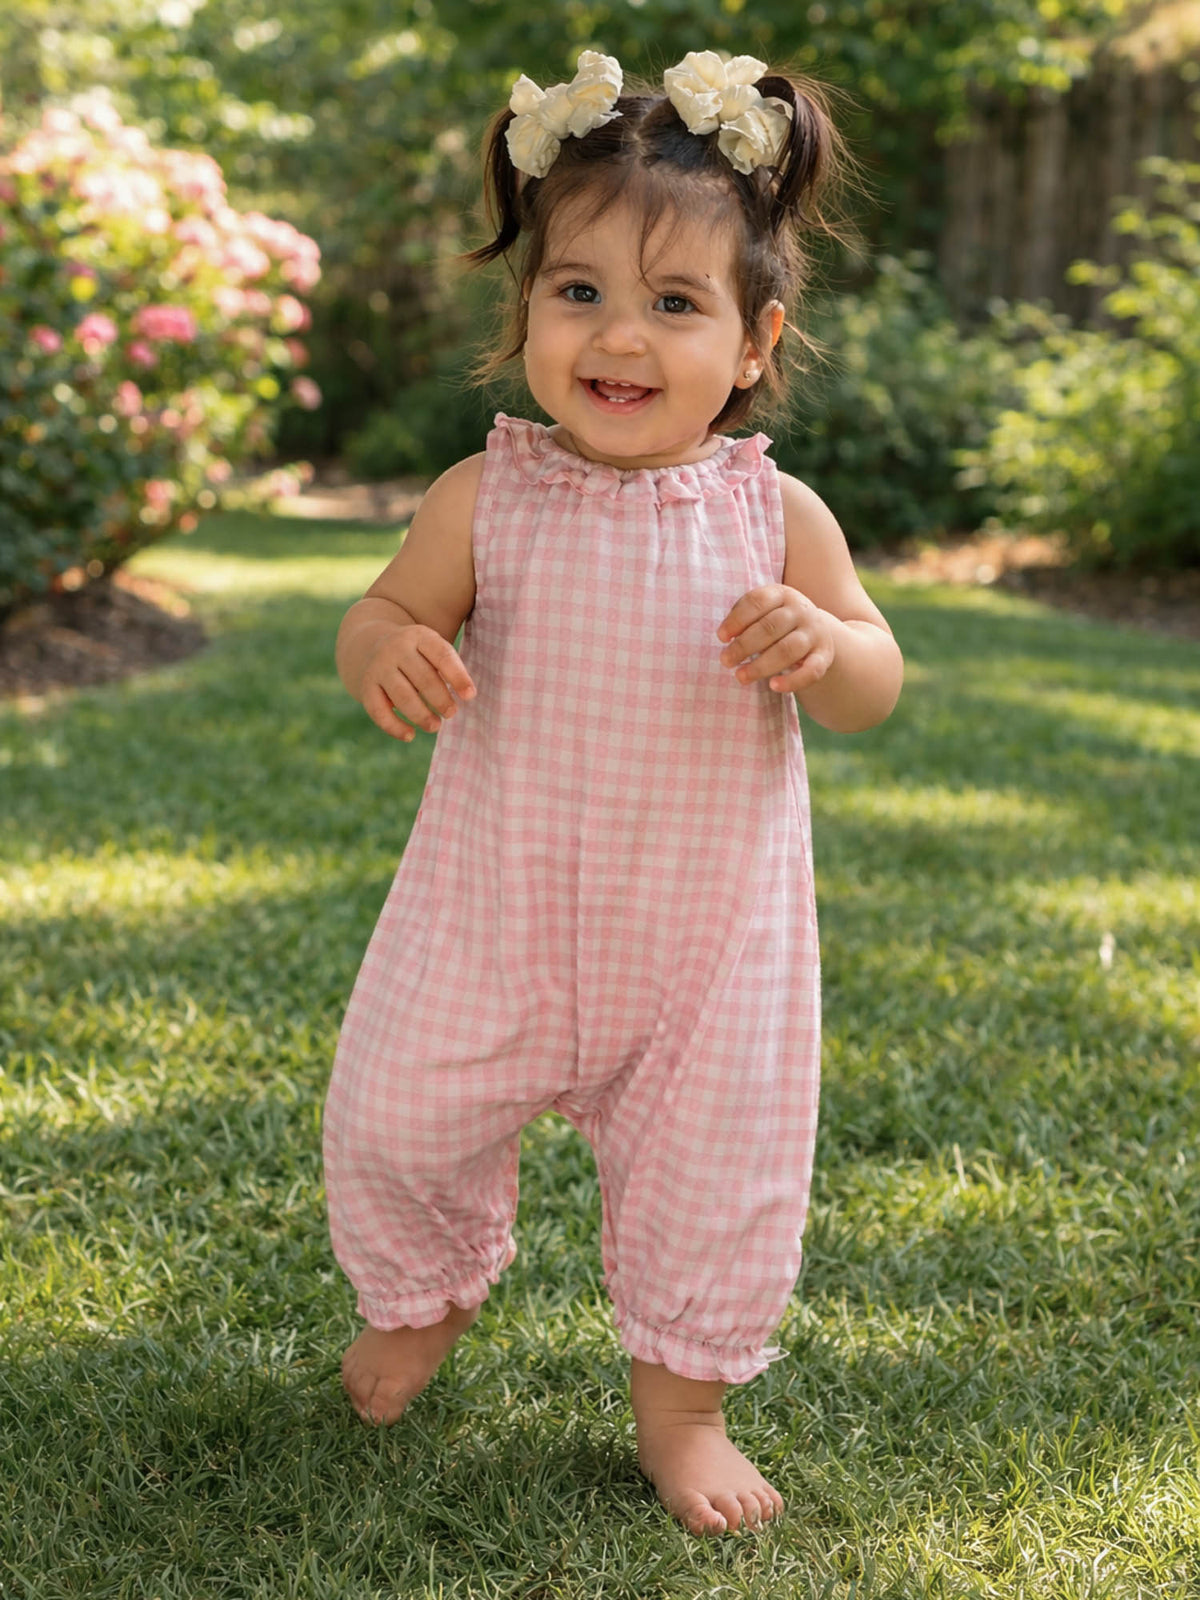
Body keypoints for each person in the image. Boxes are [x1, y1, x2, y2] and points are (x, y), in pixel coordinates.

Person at [323, 48, 903, 1538]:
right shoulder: (485, 494)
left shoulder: (774, 515)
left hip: (704, 951)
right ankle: (426, 1294)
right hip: (492, 913)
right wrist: (389, 647)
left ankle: (682, 1414)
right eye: (576, 291)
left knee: (712, 1177)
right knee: (394, 1113)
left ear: (755, 340)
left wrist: (823, 642)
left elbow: (875, 683)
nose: (618, 335)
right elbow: (382, 613)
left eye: (674, 302)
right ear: (525, 312)